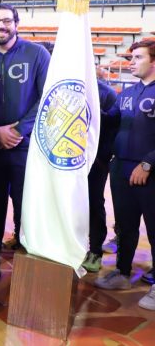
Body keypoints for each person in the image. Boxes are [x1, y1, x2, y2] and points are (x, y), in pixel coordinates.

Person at [0, 4, 50, 280]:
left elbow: (47, 97)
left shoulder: (37, 54)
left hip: (26, 147)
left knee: (26, 206)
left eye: (6, 20)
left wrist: (18, 129)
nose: (1, 26)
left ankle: (29, 265)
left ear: (17, 23)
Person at [95, 40, 155, 311]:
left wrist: (148, 163)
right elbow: (111, 120)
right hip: (120, 168)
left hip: (149, 172)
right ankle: (122, 272)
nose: (131, 62)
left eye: (138, 57)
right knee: (125, 226)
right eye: (131, 57)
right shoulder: (127, 92)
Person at [82, 77, 118, 272]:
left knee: (94, 203)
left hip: (95, 161)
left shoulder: (106, 93)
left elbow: (113, 128)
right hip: (66, 157)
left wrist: (101, 158)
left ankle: (95, 250)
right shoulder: (63, 83)